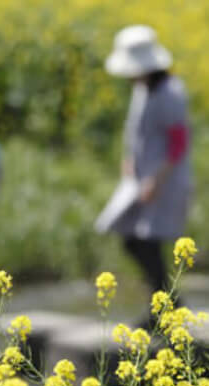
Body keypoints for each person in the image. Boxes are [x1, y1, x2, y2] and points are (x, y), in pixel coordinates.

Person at [103, 25, 191, 315]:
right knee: (134, 239)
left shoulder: (170, 93)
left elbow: (178, 143)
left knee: (145, 241)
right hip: (141, 181)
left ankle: (165, 307)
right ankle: (166, 304)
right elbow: (138, 132)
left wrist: (156, 179)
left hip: (164, 180)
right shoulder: (143, 89)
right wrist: (129, 159)